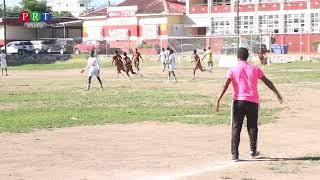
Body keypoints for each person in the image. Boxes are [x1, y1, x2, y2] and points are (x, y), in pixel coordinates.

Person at [215, 47, 283, 162]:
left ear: (237, 57)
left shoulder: (233, 69)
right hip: (253, 102)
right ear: (248, 56)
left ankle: (235, 155)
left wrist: (218, 99)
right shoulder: (255, 68)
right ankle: (253, 150)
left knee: (236, 127)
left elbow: (225, 85)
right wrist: (277, 94)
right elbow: (267, 81)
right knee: (252, 126)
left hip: (238, 101)